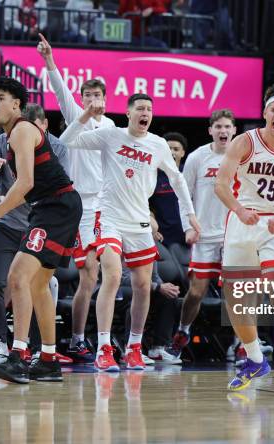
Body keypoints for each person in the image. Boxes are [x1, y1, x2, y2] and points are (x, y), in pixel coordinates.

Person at [61, 93, 199, 371]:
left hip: (139, 221)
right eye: (140, 108)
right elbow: (65, 142)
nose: (145, 112)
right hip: (109, 216)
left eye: (149, 108)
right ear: (128, 113)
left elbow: (178, 179)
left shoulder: (158, 144)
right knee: (111, 276)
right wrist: (86, 114)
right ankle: (103, 348)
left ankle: (134, 347)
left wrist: (190, 217)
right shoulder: (111, 135)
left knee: (143, 285)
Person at [0, 77, 82, 384]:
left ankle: (17, 357)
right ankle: (48, 360)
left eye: (0, 98)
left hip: (56, 206)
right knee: (37, 286)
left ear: (17, 104)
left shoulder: (21, 130)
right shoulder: (9, 138)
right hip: (55, 207)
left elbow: (25, 183)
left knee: (16, 277)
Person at [215, 80, 274, 394]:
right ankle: (256, 360)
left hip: (273, 228)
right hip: (241, 222)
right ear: (265, 113)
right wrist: (240, 210)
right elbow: (222, 184)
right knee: (237, 303)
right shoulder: (244, 141)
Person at [0, 102, 69, 369]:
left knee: (41, 285)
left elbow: (49, 186)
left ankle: (40, 351)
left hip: (37, 222)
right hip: (6, 223)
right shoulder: (4, 139)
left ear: (44, 127)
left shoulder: (58, 147)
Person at [38, 34, 114, 363]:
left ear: (105, 100)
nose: (92, 99)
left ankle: (92, 339)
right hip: (78, 205)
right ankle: (78, 338)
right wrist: (49, 61)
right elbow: (59, 89)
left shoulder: (111, 126)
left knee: (100, 273)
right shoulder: (75, 117)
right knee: (88, 274)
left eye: (97, 95)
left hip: (104, 206)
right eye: (87, 95)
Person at [166, 109, 234, 359]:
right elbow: (184, 198)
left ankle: (242, 343)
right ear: (210, 131)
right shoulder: (197, 158)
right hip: (204, 235)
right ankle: (182, 332)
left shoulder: (242, 157)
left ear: (234, 130)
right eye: (218, 127)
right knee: (196, 293)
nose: (223, 131)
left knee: (235, 293)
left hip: (233, 236)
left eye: (227, 126)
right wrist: (188, 227)